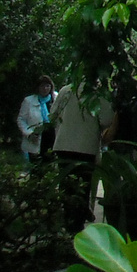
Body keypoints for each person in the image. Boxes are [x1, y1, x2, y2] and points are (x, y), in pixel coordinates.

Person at [50, 82, 118, 231]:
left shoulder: (66, 90)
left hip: (63, 146)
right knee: (82, 189)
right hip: (85, 148)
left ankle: (69, 223)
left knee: (67, 188)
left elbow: (53, 114)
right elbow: (106, 119)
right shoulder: (98, 94)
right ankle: (76, 226)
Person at [16, 75, 55, 162]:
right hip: (35, 139)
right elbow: (21, 119)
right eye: (42, 86)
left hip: (52, 137)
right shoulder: (29, 101)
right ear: (37, 87)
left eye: (47, 86)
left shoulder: (56, 98)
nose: (45, 89)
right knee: (36, 165)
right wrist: (29, 133)